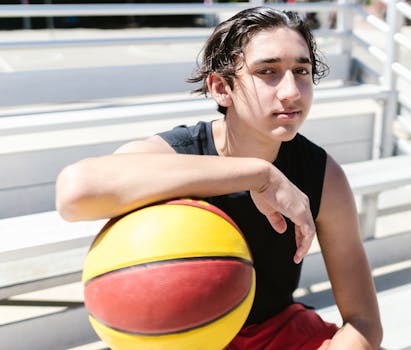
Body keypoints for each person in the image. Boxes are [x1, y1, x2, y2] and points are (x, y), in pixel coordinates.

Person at [55, 6, 382, 350]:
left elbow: (363, 321)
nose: (291, 91)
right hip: (182, 339)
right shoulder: (179, 153)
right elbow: (75, 193)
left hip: (274, 332)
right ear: (221, 87)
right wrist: (260, 176)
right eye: (267, 71)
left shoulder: (322, 174)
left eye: (301, 70)